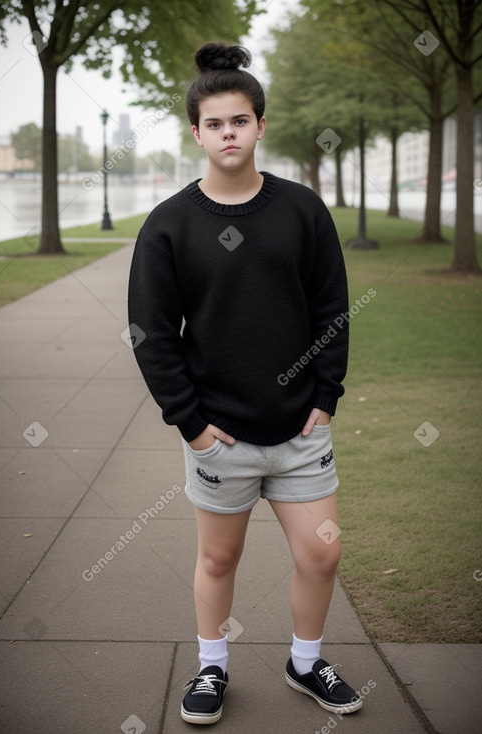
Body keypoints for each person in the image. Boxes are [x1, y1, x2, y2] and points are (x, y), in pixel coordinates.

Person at [128, 41, 362, 726]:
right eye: (213, 123)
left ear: (259, 125)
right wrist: (191, 424)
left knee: (322, 554)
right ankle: (211, 666)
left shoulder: (301, 210)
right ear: (195, 133)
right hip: (218, 434)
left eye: (239, 120)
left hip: (300, 431)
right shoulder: (169, 225)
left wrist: (325, 396)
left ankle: (305, 660)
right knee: (218, 558)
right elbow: (150, 335)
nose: (227, 133)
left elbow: (330, 309)